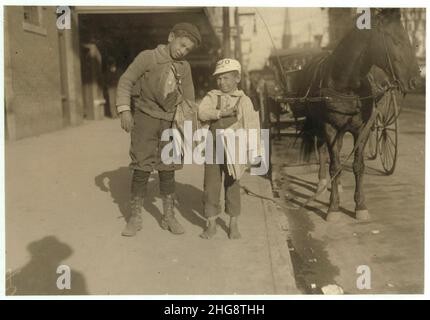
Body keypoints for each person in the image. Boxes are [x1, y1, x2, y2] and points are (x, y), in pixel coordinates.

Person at [116, 23, 201, 237]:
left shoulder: (185, 67)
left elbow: (189, 99)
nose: (183, 51)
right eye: (182, 45)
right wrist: (125, 110)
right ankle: (135, 218)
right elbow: (126, 81)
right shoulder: (148, 57)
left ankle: (168, 216)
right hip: (145, 119)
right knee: (142, 167)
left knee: (168, 168)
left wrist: (189, 125)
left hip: (170, 122)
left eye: (188, 49)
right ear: (171, 37)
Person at [198, 58, 262, 239]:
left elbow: (250, 126)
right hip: (213, 145)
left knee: (233, 183)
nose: (222, 82)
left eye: (226, 78)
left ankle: (233, 223)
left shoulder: (244, 100)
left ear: (237, 78)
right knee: (211, 184)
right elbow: (202, 112)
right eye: (219, 79)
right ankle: (211, 223)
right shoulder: (212, 96)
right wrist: (220, 113)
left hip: (235, 147)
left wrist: (251, 152)